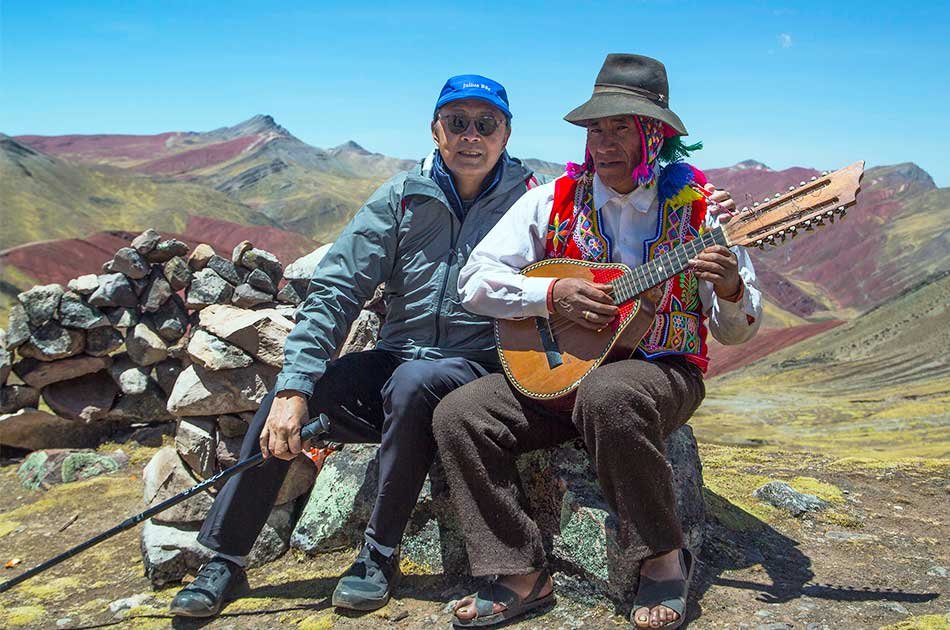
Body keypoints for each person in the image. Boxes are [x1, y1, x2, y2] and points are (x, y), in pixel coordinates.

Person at [168, 74, 546, 617]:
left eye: (486, 124)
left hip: (478, 368)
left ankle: (378, 556)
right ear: (435, 130)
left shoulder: (533, 201)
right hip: (398, 359)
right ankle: (225, 558)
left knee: (414, 383)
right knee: (293, 394)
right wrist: (295, 388)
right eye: (457, 122)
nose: (471, 135)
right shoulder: (402, 197)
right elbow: (338, 289)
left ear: (506, 135)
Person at [431, 54, 762, 629]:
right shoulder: (553, 200)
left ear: (653, 134)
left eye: (620, 129)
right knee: (460, 414)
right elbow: (474, 281)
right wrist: (552, 294)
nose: (603, 143)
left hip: (662, 371)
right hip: (564, 374)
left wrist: (731, 286)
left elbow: (737, 328)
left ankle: (663, 559)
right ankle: (520, 570)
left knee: (610, 394)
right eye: (595, 129)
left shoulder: (704, 213)